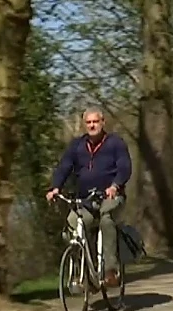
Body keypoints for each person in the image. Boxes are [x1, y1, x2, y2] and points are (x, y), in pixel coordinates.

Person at [46, 106, 132, 288]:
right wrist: (55, 188)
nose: (92, 125)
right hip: (86, 199)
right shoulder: (77, 146)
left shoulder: (115, 143)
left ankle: (110, 270)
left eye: (95, 121)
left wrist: (115, 186)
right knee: (73, 223)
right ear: (85, 125)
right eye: (88, 122)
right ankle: (84, 272)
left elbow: (125, 167)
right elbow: (64, 167)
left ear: (103, 122)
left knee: (106, 220)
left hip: (110, 196)